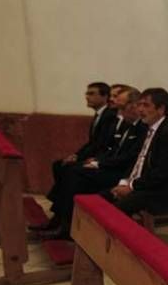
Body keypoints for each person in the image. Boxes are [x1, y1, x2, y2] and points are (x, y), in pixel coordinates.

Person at [39, 87, 147, 239]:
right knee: (71, 171)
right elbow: (112, 149)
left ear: (134, 105)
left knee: (76, 174)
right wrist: (98, 161)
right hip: (112, 168)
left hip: (119, 173)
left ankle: (67, 227)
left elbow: (130, 158)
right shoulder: (128, 125)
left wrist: (100, 164)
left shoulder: (142, 128)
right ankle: (62, 221)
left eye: (121, 108)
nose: (119, 113)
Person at [37, 82, 118, 231]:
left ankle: (64, 219)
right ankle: (61, 212)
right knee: (59, 165)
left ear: (105, 96)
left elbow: (101, 144)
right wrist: (76, 155)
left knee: (71, 172)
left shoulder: (110, 115)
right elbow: (92, 142)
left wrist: (86, 159)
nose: (87, 97)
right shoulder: (100, 114)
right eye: (87, 93)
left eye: (92, 93)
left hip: (103, 162)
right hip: (95, 157)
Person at [103, 87, 168, 216]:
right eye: (139, 105)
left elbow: (161, 174)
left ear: (161, 109)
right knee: (101, 197)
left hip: (163, 193)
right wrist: (124, 182)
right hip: (145, 186)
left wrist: (132, 186)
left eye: (146, 105)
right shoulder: (147, 128)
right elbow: (137, 160)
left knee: (114, 210)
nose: (140, 109)